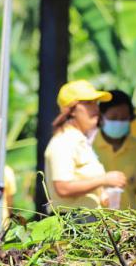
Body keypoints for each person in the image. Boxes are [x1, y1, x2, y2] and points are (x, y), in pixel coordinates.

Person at [43, 80, 126, 211]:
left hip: (85, 219)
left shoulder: (80, 142)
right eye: (88, 103)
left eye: (96, 103)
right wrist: (104, 180)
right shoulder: (64, 141)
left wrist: (101, 195)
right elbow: (63, 188)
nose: (96, 108)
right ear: (71, 110)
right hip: (71, 220)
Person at [93, 90, 136, 212]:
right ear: (101, 117)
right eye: (114, 118)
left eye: (124, 118)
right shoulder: (88, 145)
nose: (119, 122)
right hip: (95, 220)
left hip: (130, 220)